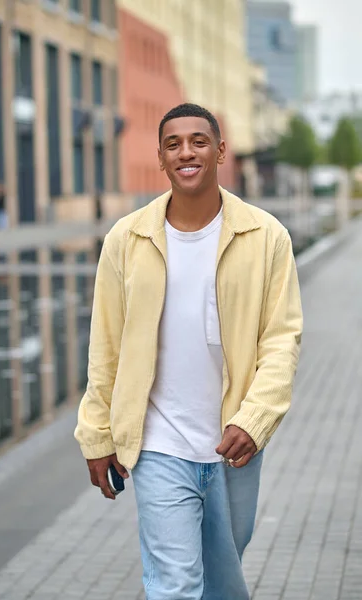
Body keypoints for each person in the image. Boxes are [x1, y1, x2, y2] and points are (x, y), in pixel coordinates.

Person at [74, 103, 303, 599]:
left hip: (234, 445)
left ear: (220, 151)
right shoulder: (126, 239)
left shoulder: (266, 237)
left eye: (198, 140)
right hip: (157, 444)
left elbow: (281, 339)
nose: (186, 152)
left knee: (223, 585)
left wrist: (256, 418)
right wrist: (97, 436)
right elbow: (105, 346)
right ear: (160, 157)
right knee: (174, 585)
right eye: (173, 143)